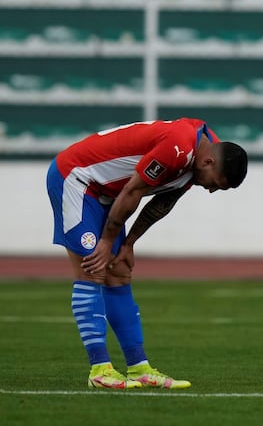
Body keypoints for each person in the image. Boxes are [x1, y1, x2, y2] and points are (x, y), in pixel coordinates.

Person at [46, 118, 248, 389]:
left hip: (108, 193)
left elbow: (164, 201)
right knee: (92, 268)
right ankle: (99, 369)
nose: (211, 190)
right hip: (77, 178)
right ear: (208, 163)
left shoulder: (204, 149)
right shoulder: (178, 147)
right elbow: (134, 190)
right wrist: (107, 240)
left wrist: (128, 243)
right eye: (215, 184)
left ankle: (138, 368)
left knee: (118, 272)